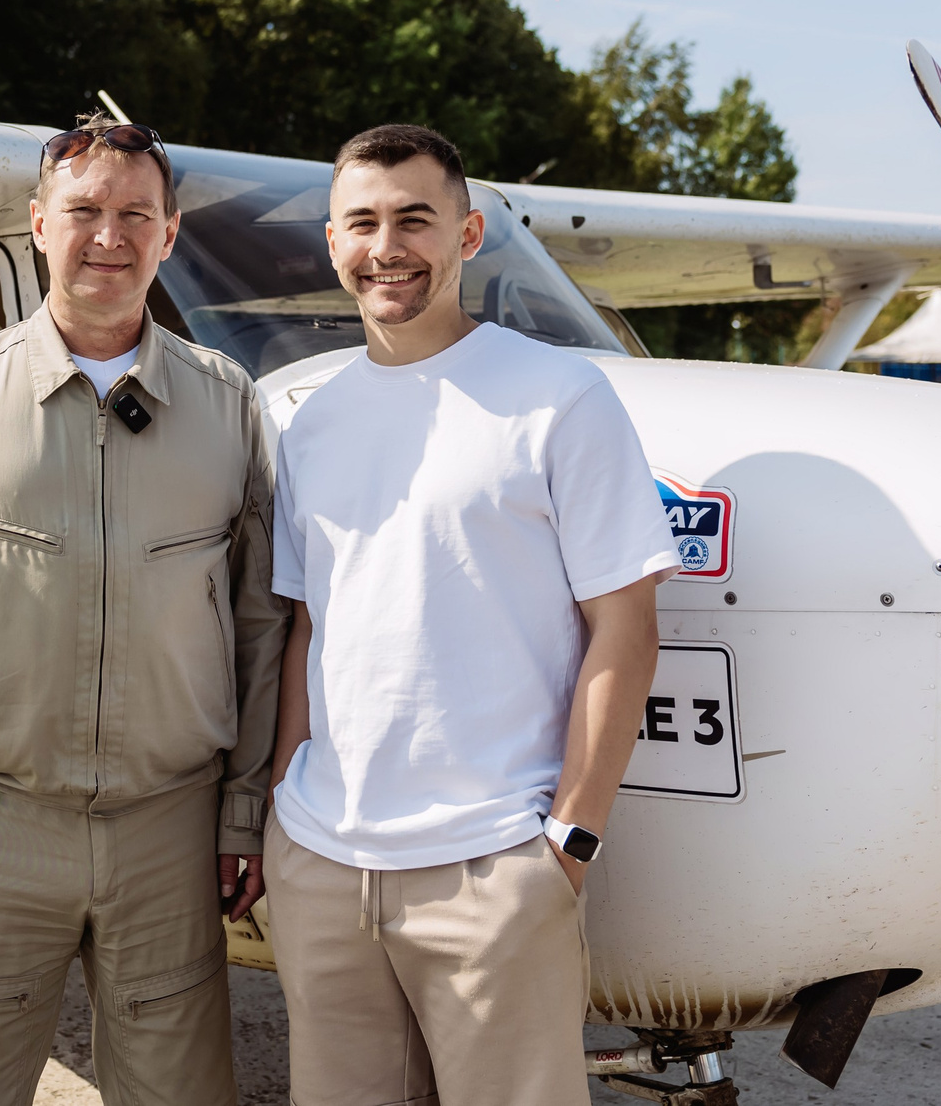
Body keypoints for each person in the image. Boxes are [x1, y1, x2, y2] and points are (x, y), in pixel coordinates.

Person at [0, 113, 287, 1106]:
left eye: (136, 213)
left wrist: (242, 809)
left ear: (169, 234)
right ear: (38, 224)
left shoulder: (228, 405)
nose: (109, 235)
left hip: (169, 830)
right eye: (84, 209)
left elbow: (260, 626)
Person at [263, 123, 680, 1106]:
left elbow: (625, 631)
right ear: (332, 244)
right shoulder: (313, 421)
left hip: (492, 866)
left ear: (467, 233)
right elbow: (308, 631)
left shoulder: (558, 397)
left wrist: (566, 843)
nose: (387, 246)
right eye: (361, 222)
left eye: (415, 218)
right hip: (322, 861)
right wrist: (286, 802)